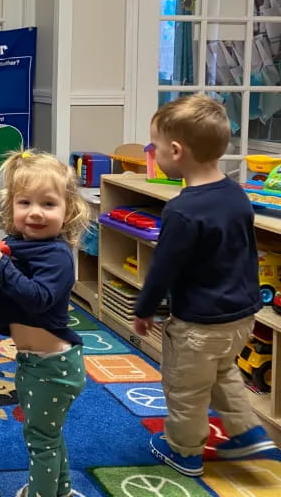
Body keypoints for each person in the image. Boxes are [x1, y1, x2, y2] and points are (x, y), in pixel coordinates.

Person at [133, 94, 273, 476]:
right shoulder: (236, 193)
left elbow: (163, 269)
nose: (154, 152)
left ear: (176, 151)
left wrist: (144, 309)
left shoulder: (182, 210)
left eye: (155, 147)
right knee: (224, 371)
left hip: (198, 324)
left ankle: (185, 451)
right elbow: (245, 252)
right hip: (241, 317)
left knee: (186, 390)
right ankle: (247, 432)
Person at [0, 149, 90, 497]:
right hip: (34, 362)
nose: (35, 212)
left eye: (48, 204)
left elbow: (37, 297)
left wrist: (1, 266)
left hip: (54, 368)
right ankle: (63, 490)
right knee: (48, 434)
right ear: (11, 208)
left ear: (67, 211)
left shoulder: (57, 255)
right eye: (25, 203)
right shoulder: (15, 245)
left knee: (40, 441)